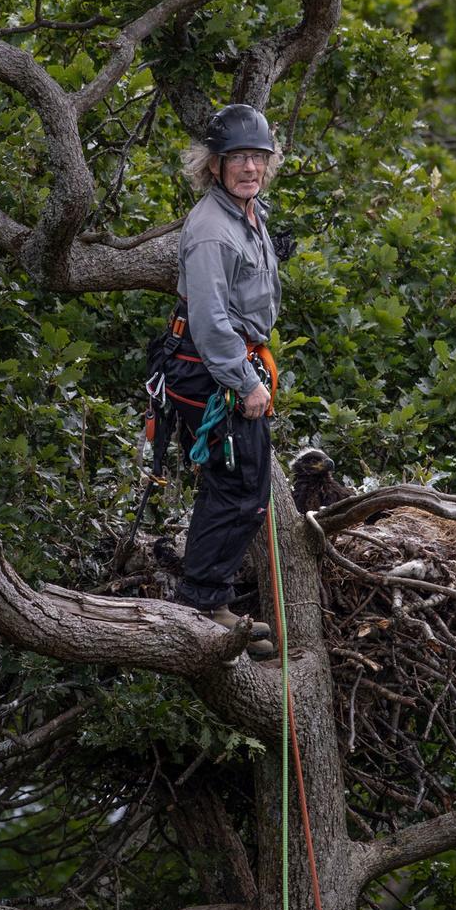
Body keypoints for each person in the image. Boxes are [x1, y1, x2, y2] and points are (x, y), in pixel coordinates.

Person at [163, 103, 284, 655]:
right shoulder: (213, 229)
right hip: (210, 367)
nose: (250, 168)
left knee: (241, 482)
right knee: (236, 487)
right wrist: (244, 382)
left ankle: (210, 598)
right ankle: (202, 606)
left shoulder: (250, 212)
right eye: (238, 159)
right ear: (215, 165)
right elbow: (211, 321)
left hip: (232, 358)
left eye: (258, 158)